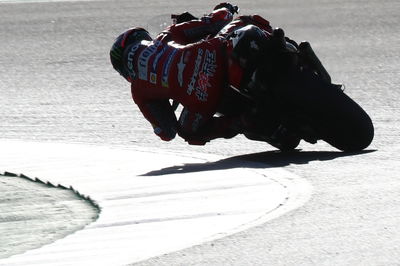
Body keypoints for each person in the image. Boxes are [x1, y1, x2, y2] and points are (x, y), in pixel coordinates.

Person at [110, 3, 279, 145]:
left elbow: (167, 132)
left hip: (201, 95)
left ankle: (241, 121)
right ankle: (280, 42)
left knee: (187, 132)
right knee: (245, 21)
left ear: (123, 70)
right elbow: (214, 22)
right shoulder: (166, 35)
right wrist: (225, 8)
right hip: (215, 52)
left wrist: (164, 98)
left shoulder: (138, 90)